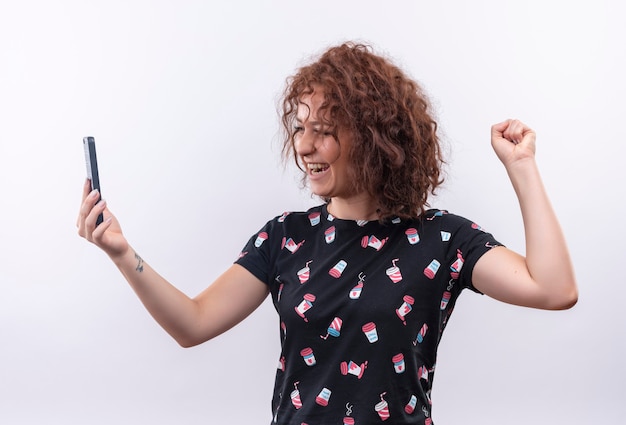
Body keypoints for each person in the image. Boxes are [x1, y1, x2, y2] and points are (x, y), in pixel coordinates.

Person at [77, 42, 577, 424]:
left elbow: (553, 290)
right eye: (299, 128)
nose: (306, 146)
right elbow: (193, 323)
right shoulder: (284, 238)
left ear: (377, 136)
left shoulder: (442, 239)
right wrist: (122, 252)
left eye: (326, 129)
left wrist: (522, 167)